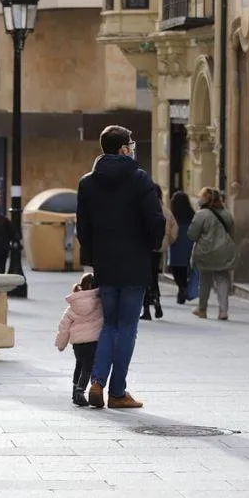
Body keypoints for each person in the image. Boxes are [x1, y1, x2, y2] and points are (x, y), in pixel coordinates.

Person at [76, 125, 165, 409]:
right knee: (127, 327)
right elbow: (155, 219)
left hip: (105, 265)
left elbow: (83, 228)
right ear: (124, 149)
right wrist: (152, 246)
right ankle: (116, 392)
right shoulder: (140, 179)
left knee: (109, 325)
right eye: (131, 145)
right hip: (134, 264)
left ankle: (97, 381)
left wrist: (93, 257)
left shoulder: (87, 183)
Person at [55, 272, 103, 407]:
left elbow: (64, 326)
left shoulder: (73, 305)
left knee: (79, 365)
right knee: (88, 367)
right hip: (93, 342)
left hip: (78, 345)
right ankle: (80, 391)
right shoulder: (99, 303)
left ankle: (74, 392)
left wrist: (61, 344)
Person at [189, 187, 237, 321]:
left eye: (201, 196)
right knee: (222, 278)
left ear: (206, 199)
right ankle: (223, 311)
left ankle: (202, 309)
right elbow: (231, 232)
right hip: (223, 251)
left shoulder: (201, 214)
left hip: (206, 251)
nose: (199, 199)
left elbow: (192, 234)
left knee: (205, 279)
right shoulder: (226, 214)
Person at [141, 184, 178, 321]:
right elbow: (174, 230)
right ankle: (156, 298)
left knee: (144, 277)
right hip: (159, 247)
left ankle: (146, 309)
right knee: (154, 275)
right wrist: (167, 241)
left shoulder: (143, 209)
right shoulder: (166, 211)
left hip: (144, 247)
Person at [168, 191, 196, 304]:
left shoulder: (172, 214)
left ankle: (182, 288)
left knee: (175, 268)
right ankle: (183, 288)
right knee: (185, 268)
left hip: (176, 243)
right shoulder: (192, 214)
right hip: (188, 242)